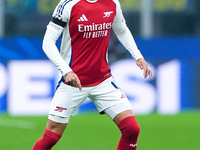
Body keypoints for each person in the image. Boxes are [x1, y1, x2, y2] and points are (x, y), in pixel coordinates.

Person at [33, 0, 153, 149]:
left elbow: (121, 30)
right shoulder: (68, 4)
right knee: (50, 137)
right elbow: (48, 42)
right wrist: (66, 71)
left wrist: (138, 56)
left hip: (103, 80)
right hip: (72, 82)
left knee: (132, 129)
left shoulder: (112, 3)